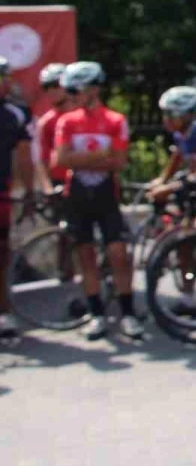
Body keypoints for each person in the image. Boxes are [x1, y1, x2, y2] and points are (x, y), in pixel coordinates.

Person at [50, 61, 142, 340]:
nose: (71, 96)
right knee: (85, 256)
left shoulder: (115, 121)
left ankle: (127, 314)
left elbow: (119, 161)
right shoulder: (67, 121)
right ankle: (97, 314)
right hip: (77, 193)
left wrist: (81, 160)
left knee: (118, 254)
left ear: (92, 89)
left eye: (75, 90)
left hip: (106, 195)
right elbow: (60, 159)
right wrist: (100, 157)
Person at [0, 56, 36, 338]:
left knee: (1, 252)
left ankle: (4, 312)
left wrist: (29, 194)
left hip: (1, 192)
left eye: (5, 78)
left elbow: (24, 159)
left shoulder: (15, 114)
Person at [32, 62, 71, 195]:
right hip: (58, 182)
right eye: (46, 87)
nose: (51, 91)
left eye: (56, 85)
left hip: (82, 179)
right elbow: (41, 158)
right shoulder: (46, 122)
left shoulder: (83, 115)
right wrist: (47, 187)